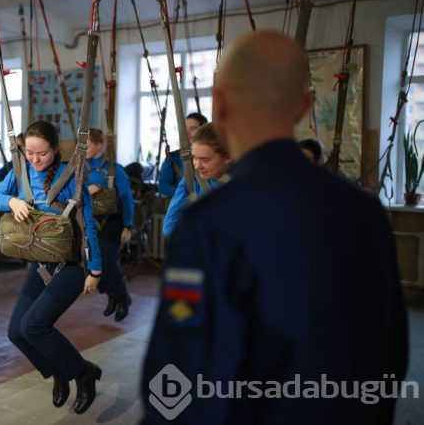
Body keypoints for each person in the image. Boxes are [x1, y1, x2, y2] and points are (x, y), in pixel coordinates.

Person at [142, 30, 408, 424]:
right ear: (304, 106)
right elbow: (392, 349)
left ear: (219, 102)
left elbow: (179, 362)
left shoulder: (208, 225)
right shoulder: (366, 214)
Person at [0, 120, 103, 415]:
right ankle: (59, 371)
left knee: (34, 326)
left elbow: (88, 223)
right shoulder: (19, 174)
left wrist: (96, 270)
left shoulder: (70, 179)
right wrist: (11, 201)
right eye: (30, 153)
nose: (35, 160)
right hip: (39, 264)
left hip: (71, 265)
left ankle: (83, 373)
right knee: (16, 332)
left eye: (42, 154)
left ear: (55, 151)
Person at [84, 128, 134, 321]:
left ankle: (123, 298)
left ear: (98, 145)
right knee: (91, 264)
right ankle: (111, 294)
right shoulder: (81, 168)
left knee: (106, 261)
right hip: (90, 221)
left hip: (113, 221)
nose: (84, 150)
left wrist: (128, 226)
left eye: (87, 146)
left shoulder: (114, 169)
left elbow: (126, 199)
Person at [162, 122, 230, 237]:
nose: (197, 166)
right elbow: (169, 227)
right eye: (194, 158)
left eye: (205, 159)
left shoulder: (244, 182)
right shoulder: (192, 180)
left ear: (227, 157)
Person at [158, 112, 207, 197]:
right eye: (185, 128)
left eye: (193, 128)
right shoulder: (173, 158)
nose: (187, 132)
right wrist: (186, 195)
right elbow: (163, 186)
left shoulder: (214, 156)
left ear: (203, 131)